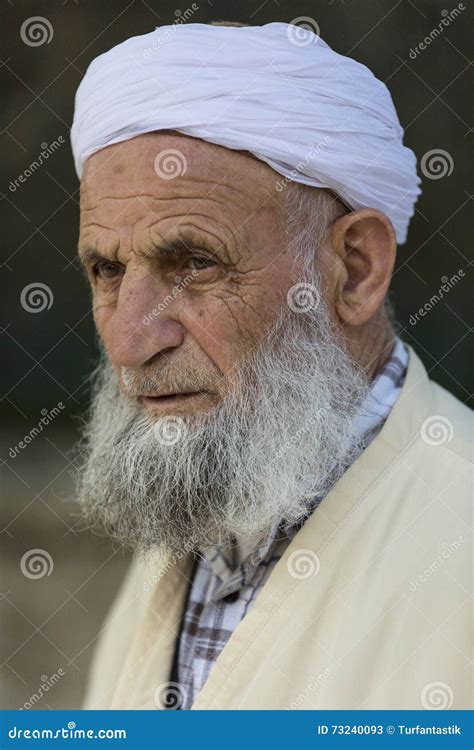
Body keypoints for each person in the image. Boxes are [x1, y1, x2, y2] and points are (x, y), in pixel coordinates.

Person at [70, 21, 471, 710]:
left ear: (355, 269)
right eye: (107, 270)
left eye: (194, 264)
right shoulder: (213, 486)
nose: (131, 342)